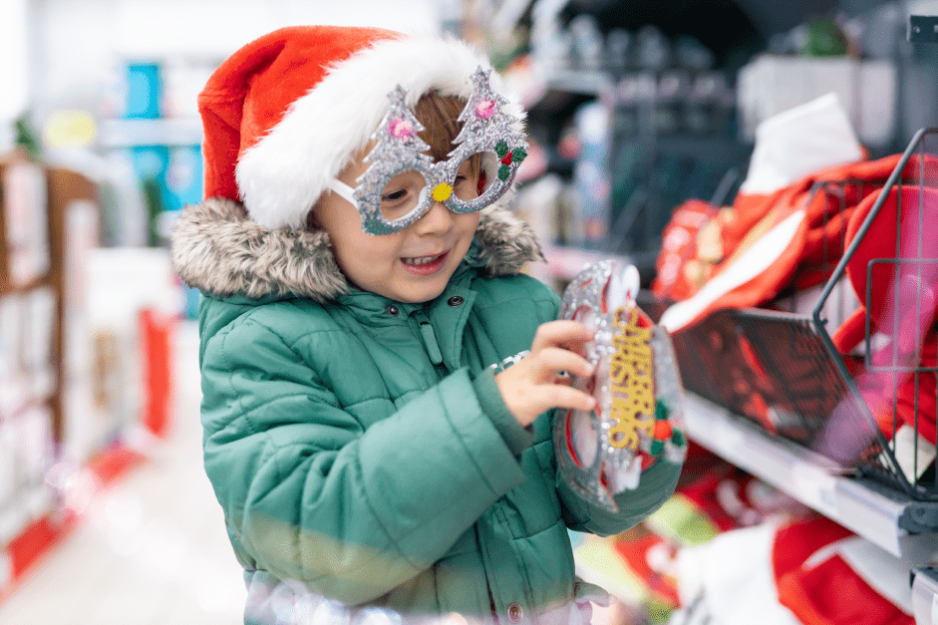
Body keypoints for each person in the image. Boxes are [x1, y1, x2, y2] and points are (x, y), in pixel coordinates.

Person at [171, 25, 681, 625]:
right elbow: (320, 545)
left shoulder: (520, 307)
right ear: (306, 205)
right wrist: (490, 415)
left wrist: (630, 435)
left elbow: (591, 509)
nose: (438, 222)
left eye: (461, 180)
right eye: (395, 195)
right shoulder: (260, 343)